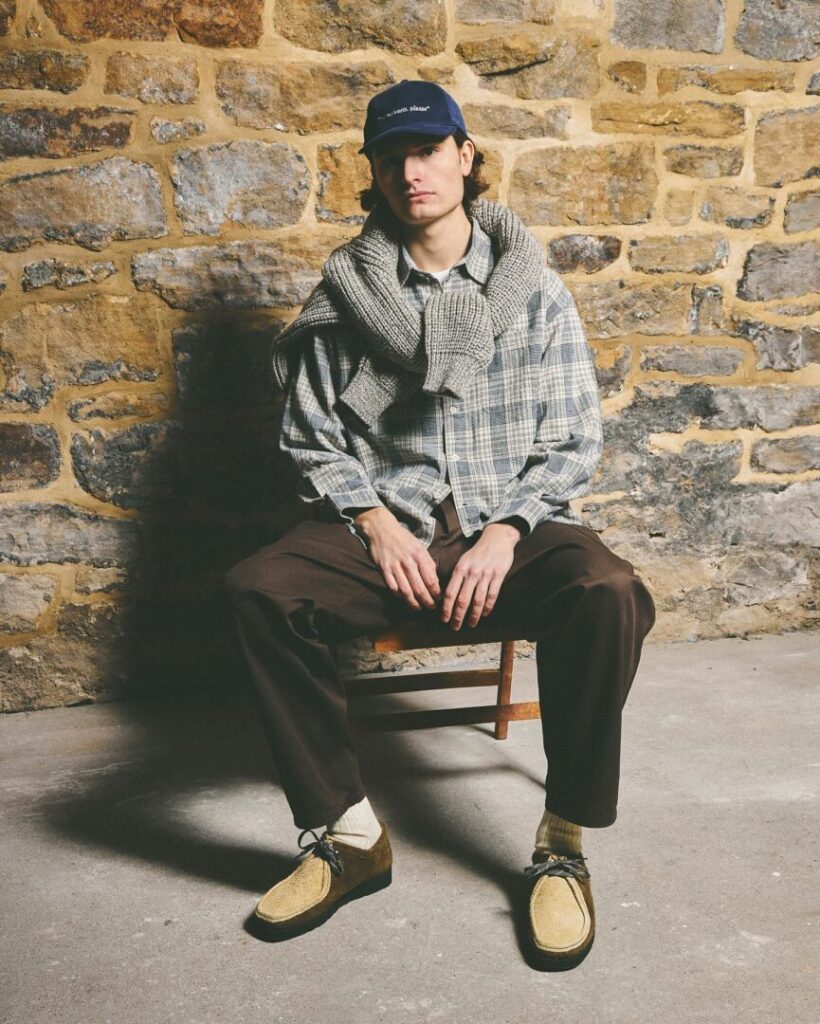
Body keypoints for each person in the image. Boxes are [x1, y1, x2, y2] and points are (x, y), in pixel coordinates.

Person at [224, 79, 656, 969]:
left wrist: (507, 531)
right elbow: (311, 437)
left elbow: (573, 439)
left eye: (426, 151)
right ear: (375, 174)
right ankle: (349, 836)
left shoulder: (532, 291)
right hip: (390, 533)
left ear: (465, 157)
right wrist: (374, 521)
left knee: (609, 589)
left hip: (509, 529)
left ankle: (562, 845)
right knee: (259, 589)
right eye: (391, 158)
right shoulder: (346, 296)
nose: (410, 172)